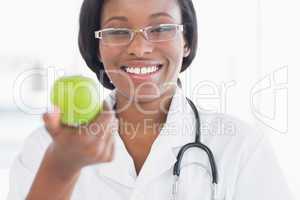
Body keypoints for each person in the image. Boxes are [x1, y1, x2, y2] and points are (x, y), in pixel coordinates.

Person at [8, 0, 293, 199]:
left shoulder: (241, 148)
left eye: (160, 28)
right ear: (97, 48)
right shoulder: (45, 149)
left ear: (187, 41)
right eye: (118, 31)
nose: (140, 48)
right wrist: (60, 169)